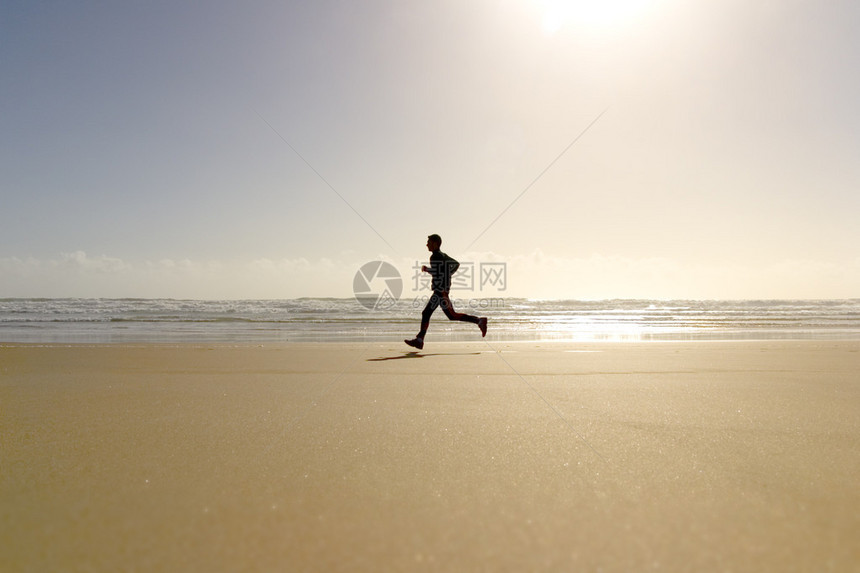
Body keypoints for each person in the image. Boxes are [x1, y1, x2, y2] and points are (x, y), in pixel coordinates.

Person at [405, 234, 487, 350]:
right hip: (441, 290)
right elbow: (456, 264)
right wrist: (448, 274)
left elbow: (437, 271)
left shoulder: (435, 257)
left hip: (440, 291)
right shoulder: (443, 256)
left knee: (444, 314)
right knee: (438, 314)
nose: (427, 244)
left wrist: (426, 269)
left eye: (429, 242)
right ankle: (420, 340)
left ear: (435, 243)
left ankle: (479, 321)